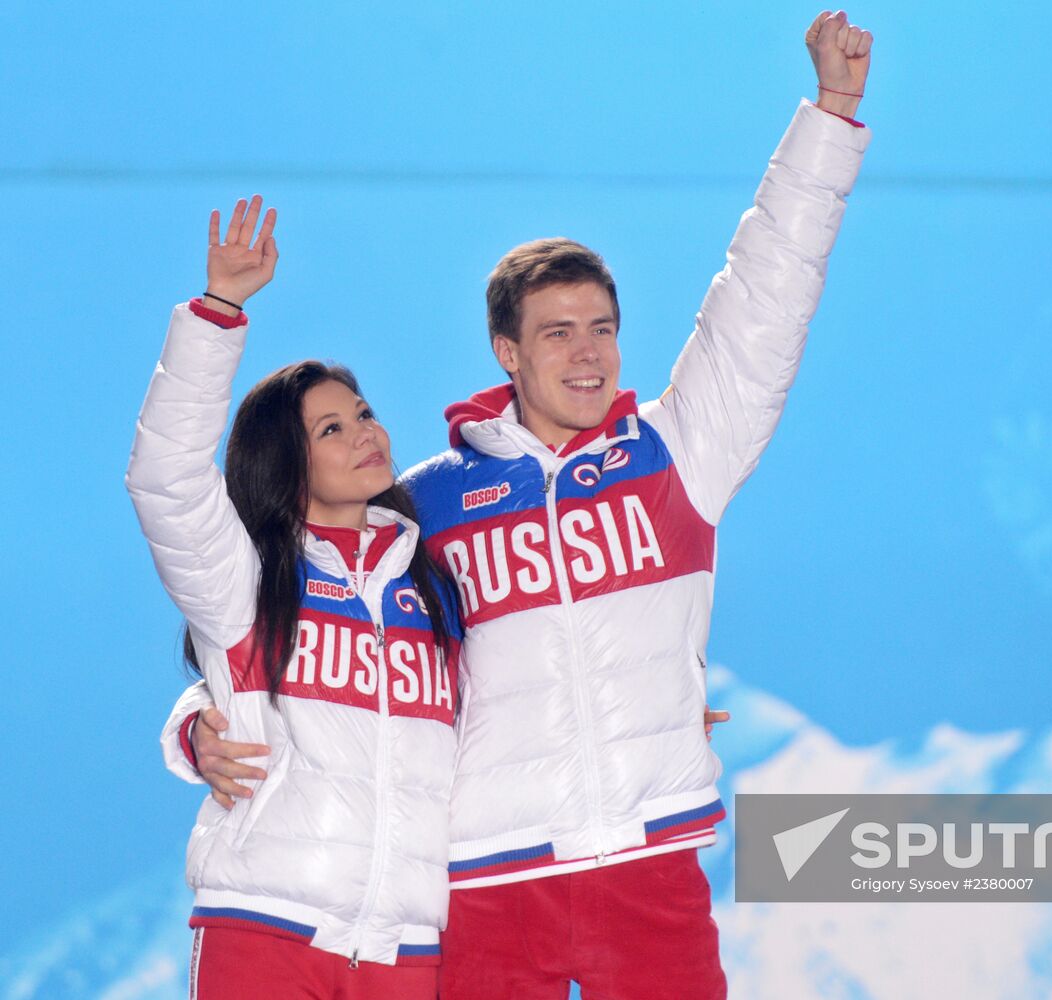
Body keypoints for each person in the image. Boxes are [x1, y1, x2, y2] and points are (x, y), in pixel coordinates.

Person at [171, 10, 873, 997]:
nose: (585, 352)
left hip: (646, 864)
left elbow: (765, 299)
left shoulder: (677, 455)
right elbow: (298, 616)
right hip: (487, 882)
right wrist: (199, 719)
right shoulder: (425, 503)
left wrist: (831, 115)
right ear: (507, 352)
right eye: (556, 332)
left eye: (601, 328)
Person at [128, 196, 461, 998]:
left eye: (365, 414)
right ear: (284, 460)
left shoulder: (434, 585)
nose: (365, 434)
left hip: (402, 947)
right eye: (331, 430)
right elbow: (164, 480)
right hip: (264, 926)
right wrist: (220, 311)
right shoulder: (245, 580)